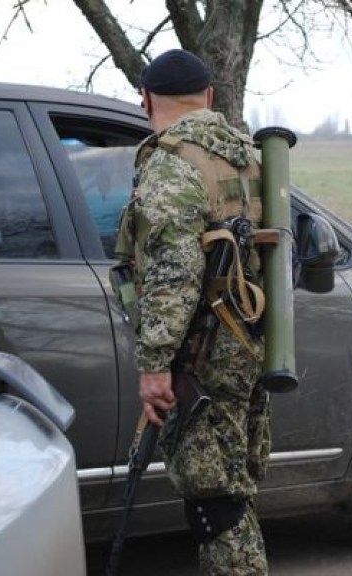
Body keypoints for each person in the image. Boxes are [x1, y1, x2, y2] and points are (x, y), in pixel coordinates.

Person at [115, 49, 270, 575]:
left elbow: (172, 272)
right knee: (233, 490)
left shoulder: (171, 163)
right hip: (249, 344)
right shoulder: (249, 157)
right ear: (208, 97)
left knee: (215, 503)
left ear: (146, 99)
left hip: (201, 354)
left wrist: (155, 364)